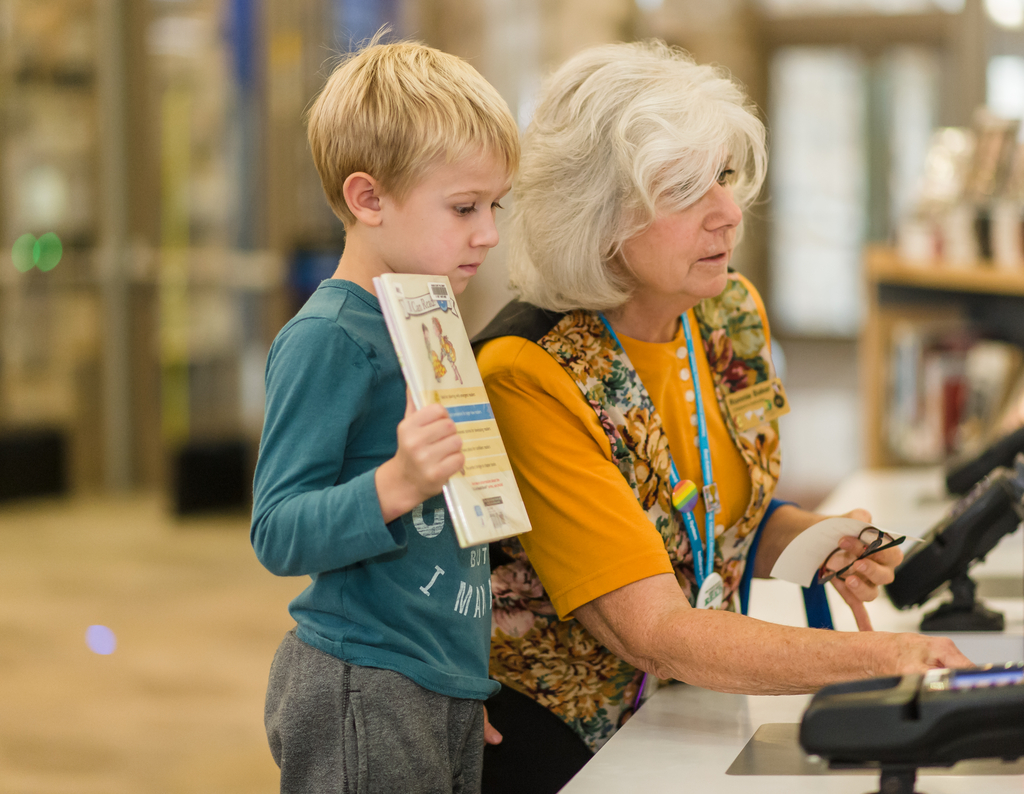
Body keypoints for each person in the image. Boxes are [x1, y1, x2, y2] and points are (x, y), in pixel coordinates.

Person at [472, 40, 972, 793]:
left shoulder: (726, 313)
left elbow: (711, 527)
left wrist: (812, 539)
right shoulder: (527, 374)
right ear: (594, 214)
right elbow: (654, 631)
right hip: (570, 752)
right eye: (683, 189)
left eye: (726, 177)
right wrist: (888, 658)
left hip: (694, 719)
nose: (729, 213)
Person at [250, 38, 518, 794]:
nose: (488, 233)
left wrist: (455, 682)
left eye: (494, 206)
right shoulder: (329, 338)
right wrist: (395, 484)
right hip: (363, 679)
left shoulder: (430, 318)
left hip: (435, 683)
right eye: (463, 207)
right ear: (368, 200)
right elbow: (277, 530)